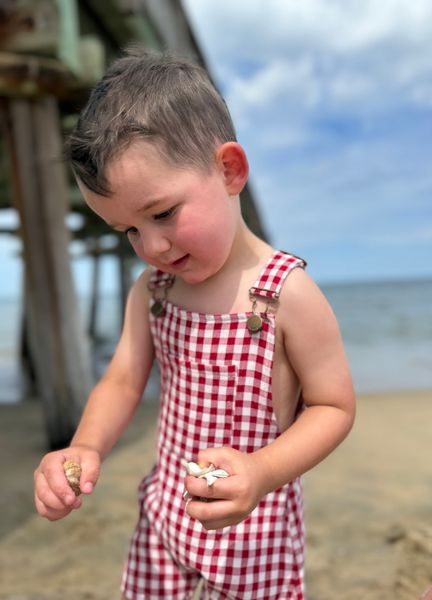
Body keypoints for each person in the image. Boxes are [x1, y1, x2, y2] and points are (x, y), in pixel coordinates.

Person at [33, 47, 355, 600]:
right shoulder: (153, 292)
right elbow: (123, 380)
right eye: (127, 231)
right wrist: (84, 446)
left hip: (254, 529)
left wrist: (261, 472)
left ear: (229, 169)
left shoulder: (285, 295)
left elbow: (334, 407)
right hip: (166, 521)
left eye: (161, 214)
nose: (150, 246)